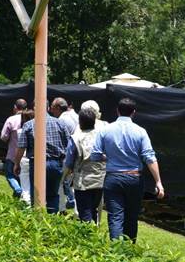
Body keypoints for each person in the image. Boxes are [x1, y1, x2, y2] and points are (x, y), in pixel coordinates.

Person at [91, 98, 165, 241]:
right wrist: (158, 182)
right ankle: (130, 250)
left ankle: (116, 252)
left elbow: (94, 156)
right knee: (132, 217)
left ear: (117, 111)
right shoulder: (141, 132)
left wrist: (108, 158)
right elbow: (149, 157)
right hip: (134, 178)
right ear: (134, 113)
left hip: (113, 179)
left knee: (115, 217)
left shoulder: (105, 130)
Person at [14, 99, 70, 214]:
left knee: (37, 196)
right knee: (53, 195)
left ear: (35, 108)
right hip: (55, 163)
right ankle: (52, 221)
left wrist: (16, 164)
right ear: (48, 108)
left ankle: (38, 223)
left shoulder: (28, 125)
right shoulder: (60, 124)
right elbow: (69, 146)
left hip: (37, 164)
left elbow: (21, 147)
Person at [63, 108, 106, 223]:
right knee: (93, 210)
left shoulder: (76, 138)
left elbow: (69, 162)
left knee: (85, 212)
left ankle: (87, 237)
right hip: (100, 180)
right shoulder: (102, 136)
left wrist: (63, 178)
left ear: (80, 122)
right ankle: (94, 234)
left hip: (83, 182)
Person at [50, 97, 76, 210]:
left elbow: (64, 141)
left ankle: (61, 209)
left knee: (58, 183)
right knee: (70, 184)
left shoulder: (62, 120)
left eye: (52, 107)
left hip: (66, 157)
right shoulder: (75, 116)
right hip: (76, 156)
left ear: (58, 108)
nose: (51, 110)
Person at [0, 99, 27, 198]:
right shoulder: (31, 118)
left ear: (15, 107)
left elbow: (3, 137)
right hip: (26, 154)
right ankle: (19, 196)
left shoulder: (11, 119)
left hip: (13, 154)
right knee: (23, 177)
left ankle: (18, 189)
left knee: (10, 175)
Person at [18, 109, 34, 205]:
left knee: (25, 184)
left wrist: (16, 162)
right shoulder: (39, 128)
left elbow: (20, 147)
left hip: (24, 158)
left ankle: (26, 202)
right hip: (34, 159)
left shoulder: (21, 130)